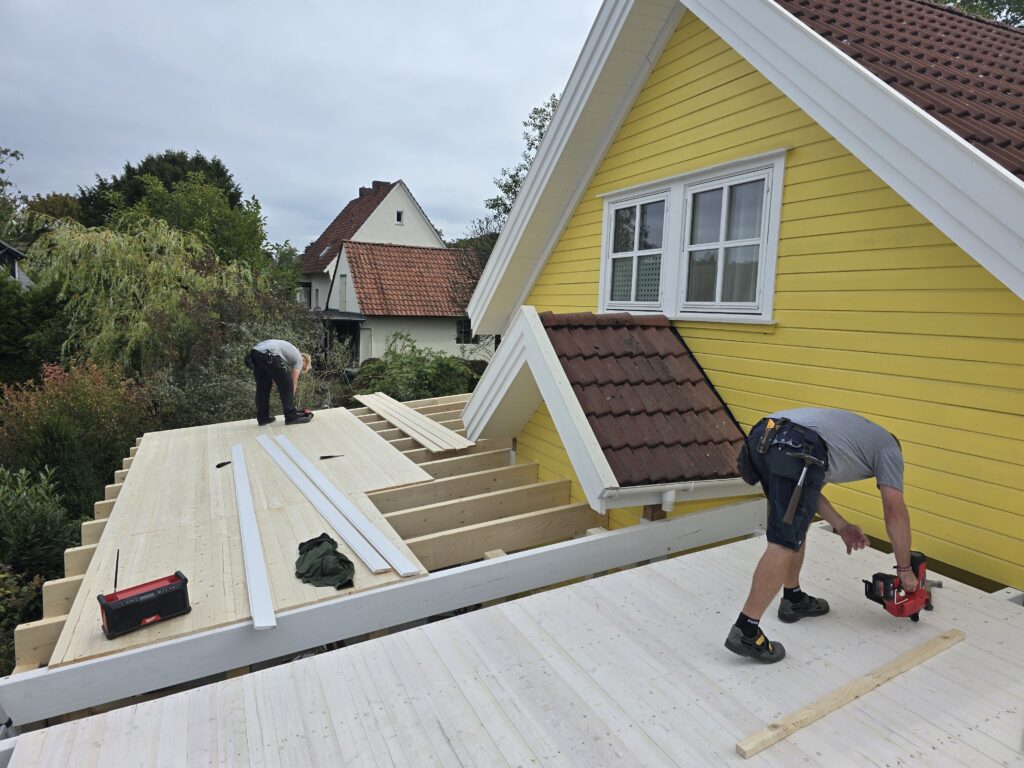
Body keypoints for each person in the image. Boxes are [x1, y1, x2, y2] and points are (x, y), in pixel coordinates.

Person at [726, 407, 914, 663]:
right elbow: (895, 510)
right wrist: (904, 569)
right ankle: (746, 630)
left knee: (794, 525)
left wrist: (842, 526)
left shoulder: (847, 442)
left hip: (765, 436)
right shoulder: (890, 450)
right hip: (793, 442)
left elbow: (808, 497)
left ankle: (793, 600)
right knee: (783, 542)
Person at [245, 339, 313, 425]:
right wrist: (290, 399)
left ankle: (263, 418)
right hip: (269, 353)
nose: (300, 369)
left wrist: (273, 382)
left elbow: (275, 370)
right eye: (303, 368)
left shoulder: (288, 354)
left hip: (254, 354)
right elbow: (294, 381)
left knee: (263, 387)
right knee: (288, 384)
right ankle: (291, 417)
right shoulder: (299, 358)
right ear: (304, 361)